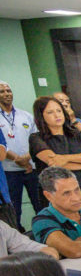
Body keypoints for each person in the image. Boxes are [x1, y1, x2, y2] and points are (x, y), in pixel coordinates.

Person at [28, 96, 81, 207]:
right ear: (41, 116)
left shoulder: (76, 134)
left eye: (59, 111)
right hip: (58, 193)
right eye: (50, 112)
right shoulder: (36, 138)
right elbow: (54, 163)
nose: (57, 115)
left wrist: (65, 159)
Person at [1, 80, 46, 222]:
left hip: (30, 168)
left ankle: (45, 232)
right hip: (9, 171)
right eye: (2, 91)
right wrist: (17, 159)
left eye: (9, 90)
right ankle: (18, 236)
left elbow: (37, 139)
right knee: (15, 209)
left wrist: (27, 158)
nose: (7, 94)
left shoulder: (25, 116)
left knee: (40, 204)